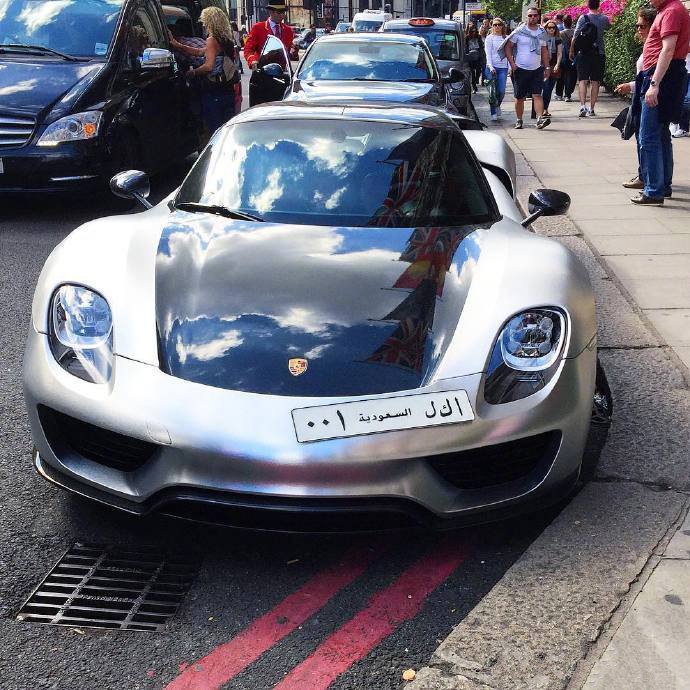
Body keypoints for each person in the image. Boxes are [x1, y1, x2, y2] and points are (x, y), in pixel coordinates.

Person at [630, 0, 690, 205]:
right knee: (661, 135)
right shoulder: (668, 10)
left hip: (661, 76)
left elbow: (668, 49)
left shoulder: (671, 11)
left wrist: (654, 83)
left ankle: (654, 190)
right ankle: (661, 186)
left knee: (648, 136)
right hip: (664, 75)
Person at [170, 6, 236, 136]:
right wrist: (179, 46)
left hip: (214, 92)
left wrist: (192, 73)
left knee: (215, 132)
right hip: (228, 90)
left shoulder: (212, 39)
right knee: (227, 132)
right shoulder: (226, 39)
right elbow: (201, 52)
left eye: (205, 21)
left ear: (210, 21)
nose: (204, 24)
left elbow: (209, 66)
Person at [614, 7, 657, 190]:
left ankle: (648, 179)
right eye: (637, 26)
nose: (639, 29)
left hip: (647, 96)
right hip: (641, 94)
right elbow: (643, 77)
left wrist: (633, 87)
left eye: (643, 26)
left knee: (646, 139)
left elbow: (649, 77)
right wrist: (630, 86)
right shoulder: (648, 45)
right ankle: (647, 176)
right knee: (645, 138)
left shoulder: (655, 47)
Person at [505, 8, 551, 129]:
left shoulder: (542, 32)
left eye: (535, 15)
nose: (532, 17)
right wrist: (512, 64)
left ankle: (540, 119)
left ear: (538, 17)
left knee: (537, 95)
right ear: (527, 17)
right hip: (521, 69)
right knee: (520, 97)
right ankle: (519, 120)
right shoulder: (519, 31)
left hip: (537, 69)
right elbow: (508, 47)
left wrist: (547, 67)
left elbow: (544, 50)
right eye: (530, 15)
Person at [570, 0, 610, 117]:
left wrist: (572, 50)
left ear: (588, 5)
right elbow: (608, 28)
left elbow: (575, 35)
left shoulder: (583, 18)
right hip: (599, 53)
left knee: (582, 80)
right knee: (595, 81)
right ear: (598, 5)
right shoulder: (604, 19)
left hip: (584, 53)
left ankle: (583, 106)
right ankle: (592, 109)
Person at [244, 2, 295, 71]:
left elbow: (289, 53)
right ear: (270, 12)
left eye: (283, 12)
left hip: (281, 72)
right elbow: (248, 49)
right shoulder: (258, 28)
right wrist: (253, 61)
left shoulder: (288, 30)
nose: (282, 16)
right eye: (279, 13)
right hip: (262, 71)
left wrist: (294, 51)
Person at [484, 17, 509, 121]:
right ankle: (493, 111)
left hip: (503, 67)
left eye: (499, 24)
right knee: (492, 92)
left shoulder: (506, 38)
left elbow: (509, 54)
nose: (497, 26)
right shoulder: (489, 38)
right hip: (491, 68)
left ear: (502, 26)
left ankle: (498, 104)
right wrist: (490, 66)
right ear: (492, 26)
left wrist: (511, 67)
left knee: (501, 91)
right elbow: (488, 54)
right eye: (495, 25)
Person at [541, 19, 562, 116]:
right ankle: (541, 109)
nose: (551, 29)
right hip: (544, 65)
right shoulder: (542, 39)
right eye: (549, 28)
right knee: (545, 88)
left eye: (553, 27)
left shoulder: (558, 39)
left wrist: (557, 64)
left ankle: (545, 108)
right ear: (546, 28)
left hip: (553, 65)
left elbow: (559, 53)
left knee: (549, 89)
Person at [555, 15, 576, 101]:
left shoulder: (561, 33)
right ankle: (568, 94)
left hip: (563, 56)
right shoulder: (575, 32)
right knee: (571, 75)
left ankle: (559, 94)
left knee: (561, 76)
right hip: (573, 56)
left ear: (563, 23)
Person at [670, 51, 690, 137]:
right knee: (679, 98)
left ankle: (683, 127)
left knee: (687, 100)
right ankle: (675, 123)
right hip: (684, 70)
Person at [465, 24, 485, 93]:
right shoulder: (467, 38)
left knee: (479, 70)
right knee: (472, 72)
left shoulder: (478, 37)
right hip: (470, 57)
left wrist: (482, 55)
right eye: (472, 30)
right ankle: (474, 87)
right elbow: (465, 47)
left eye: (474, 30)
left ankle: (477, 80)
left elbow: (481, 46)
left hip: (478, 57)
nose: (473, 32)